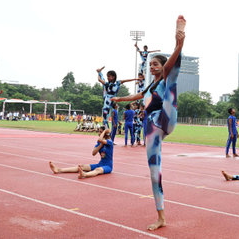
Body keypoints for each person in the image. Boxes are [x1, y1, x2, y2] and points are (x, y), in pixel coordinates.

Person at [112, 15, 186, 231]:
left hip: (167, 116)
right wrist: (118, 99)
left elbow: (167, 70)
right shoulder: (148, 87)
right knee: (154, 174)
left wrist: (179, 44)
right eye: (151, 64)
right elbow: (136, 97)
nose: (152, 66)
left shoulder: (164, 79)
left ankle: (179, 41)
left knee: (170, 82)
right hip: (152, 128)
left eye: (156, 64)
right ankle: (161, 216)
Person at [49, 127, 113, 178]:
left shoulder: (109, 142)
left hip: (108, 166)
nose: (98, 133)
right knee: (82, 166)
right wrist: (101, 145)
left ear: (104, 134)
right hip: (100, 164)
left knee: (98, 170)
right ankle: (58, 170)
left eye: (100, 132)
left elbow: (99, 139)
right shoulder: (99, 143)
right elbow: (93, 153)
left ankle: (84, 174)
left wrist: (104, 131)